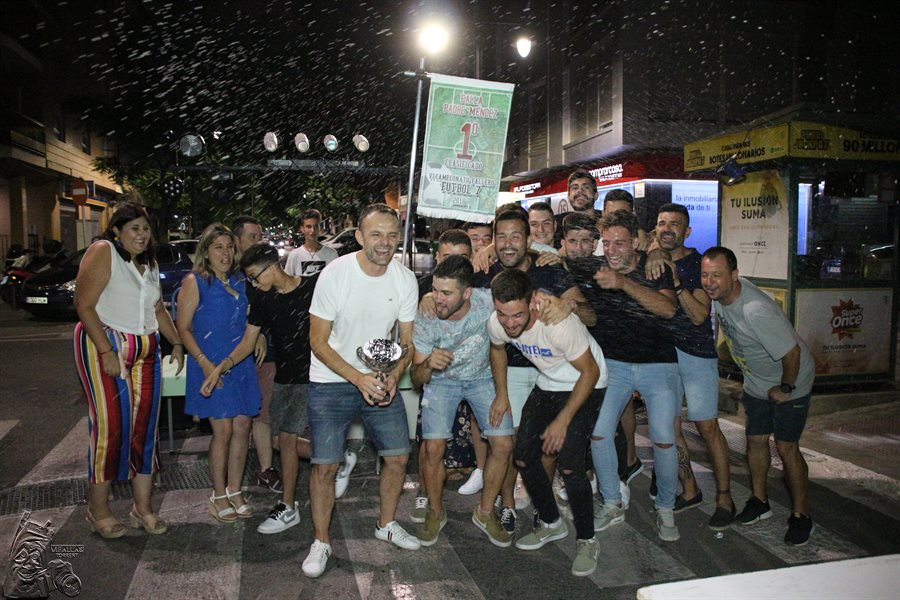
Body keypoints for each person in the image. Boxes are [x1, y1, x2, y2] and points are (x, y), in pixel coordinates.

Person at [303, 203, 421, 578]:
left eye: (391, 235)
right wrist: (359, 378)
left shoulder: (405, 279)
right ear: (359, 237)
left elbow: (407, 342)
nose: (385, 243)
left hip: (379, 378)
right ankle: (321, 540)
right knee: (325, 465)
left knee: (399, 456)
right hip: (332, 378)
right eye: (376, 234)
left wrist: (393, 374)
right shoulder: (335, 275)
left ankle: (385, 523)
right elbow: (317, 342)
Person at [568, 209, 682, 542]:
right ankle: (612, 501)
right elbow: (554, 254)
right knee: (600, 434)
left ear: (636, 241)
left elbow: (668, 309)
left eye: (620, 242)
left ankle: (665, 508)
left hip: (658, 365)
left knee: (663, 438)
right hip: (614, 365)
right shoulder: (594, 268)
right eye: (607, 243)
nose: (613, 250)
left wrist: (624, 283)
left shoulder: (654, 266)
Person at [73, 202, 184, 538]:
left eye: (146, 229)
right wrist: (107, 351)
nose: (142, 234)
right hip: (105, 345)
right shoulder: (103, 250)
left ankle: (142, 508)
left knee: (145, 430)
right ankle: (99, 510)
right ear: (117, 231)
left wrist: (176, 342)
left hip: (147, 351)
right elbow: (84, 304)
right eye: (134, 228)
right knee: (110, 429)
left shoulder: (147, 264)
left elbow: (158, 309)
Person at [489, 268, 607, 577]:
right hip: (550, 383)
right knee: (523, 456)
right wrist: (501, 394)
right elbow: (497, 348)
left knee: (569, 464)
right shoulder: (497, 323)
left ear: (532, 303)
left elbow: (591, 372)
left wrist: (562, 421)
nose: (510, 323)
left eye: (517, 315)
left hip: (588, 382)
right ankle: (552, 522)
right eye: (503, 314)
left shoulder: (557, 323)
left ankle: (587, 538)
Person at [701, 246, 816, 546]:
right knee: (755, 440)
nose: (710, 281)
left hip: (791, 379)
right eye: (706, 275)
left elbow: (792, 352)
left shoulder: (755, 310)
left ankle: (801, 515)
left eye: (717, 275)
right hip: (757, 381)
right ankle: (759, 501)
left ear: (735, 276)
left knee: (787, 447)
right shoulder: (722, 296)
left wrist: (786, 388)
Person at [201, 243, 316, 537]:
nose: (253, 284)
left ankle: (289, 503)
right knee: (281, 441)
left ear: (273, 267)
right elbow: (248, 342)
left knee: (288, 439)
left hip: (317, 375)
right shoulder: (264, 300)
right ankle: (292, 502)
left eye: (255, 277)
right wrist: (220, 367)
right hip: (286, 376)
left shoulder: (314, 288)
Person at [411, 255, 515, 546]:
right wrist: (429, 363)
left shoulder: (486, 301)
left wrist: (502, 394)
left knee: (504, 443)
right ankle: (435, 510)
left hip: (482, 379)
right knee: (433, 448)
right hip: (441, 382)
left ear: (467, 293)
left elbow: (519, 304)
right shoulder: (428, 316)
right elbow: (416, 377)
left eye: (446, 293)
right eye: (434, 290)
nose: (438, 299)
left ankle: (484, 512)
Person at [647, 204, 735, 530]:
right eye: (661, 222)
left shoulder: (698, 263)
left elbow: (699, 316)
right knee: (668, 427)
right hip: (663, 355)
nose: (667, 228)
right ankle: (690, 489)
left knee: (707, 427)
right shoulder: (650, 255)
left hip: (696, 353)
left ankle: (724, 497)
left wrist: (677, 281)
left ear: (687, 231)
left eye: (675, 224)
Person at [176, 223, 259, 523]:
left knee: (242, 428)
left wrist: (258, 336)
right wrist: (204, 362)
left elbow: (251, 319)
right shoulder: (196, 281)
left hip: (240, 363)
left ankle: (235, 490)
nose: (225, 253)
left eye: (228, 247)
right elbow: (182, 328)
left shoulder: (240, 281)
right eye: (218, 247)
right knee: (222, 430)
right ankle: (218, 494)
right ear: (206, 252)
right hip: (209, 363)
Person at [232, 215, 281, 493]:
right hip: (236, 353)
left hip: (266, 355)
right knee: (240, 418)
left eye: (259, 235)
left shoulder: (262, 273)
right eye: (252, 236)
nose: (258, 241)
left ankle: (266, 468)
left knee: (263, 411)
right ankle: (235, 481)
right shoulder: (229, 276)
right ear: (237, 240)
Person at [285, 208, 338, 277]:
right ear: (302, 229)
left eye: (316, 226)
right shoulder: (294, 255)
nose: (312, 230)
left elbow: (337, 280)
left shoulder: (331, 254)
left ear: (320, 228)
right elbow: (287, 282)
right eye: (308, 227)